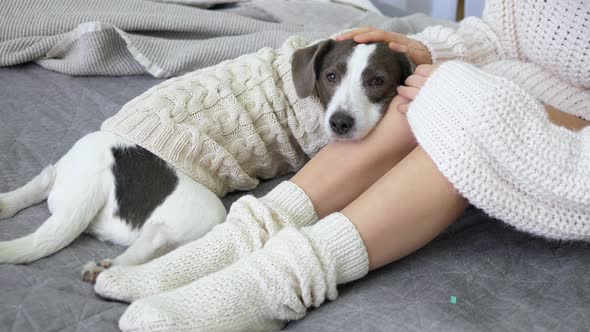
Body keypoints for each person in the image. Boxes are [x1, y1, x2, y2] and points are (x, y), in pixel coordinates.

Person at [95, 0, 590, 330]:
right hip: (510, 84)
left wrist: (505, 103)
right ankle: (241, 239)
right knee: (408, 105)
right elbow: (503, 38)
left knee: (465, 122)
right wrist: (428, 55)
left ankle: (273, 285)